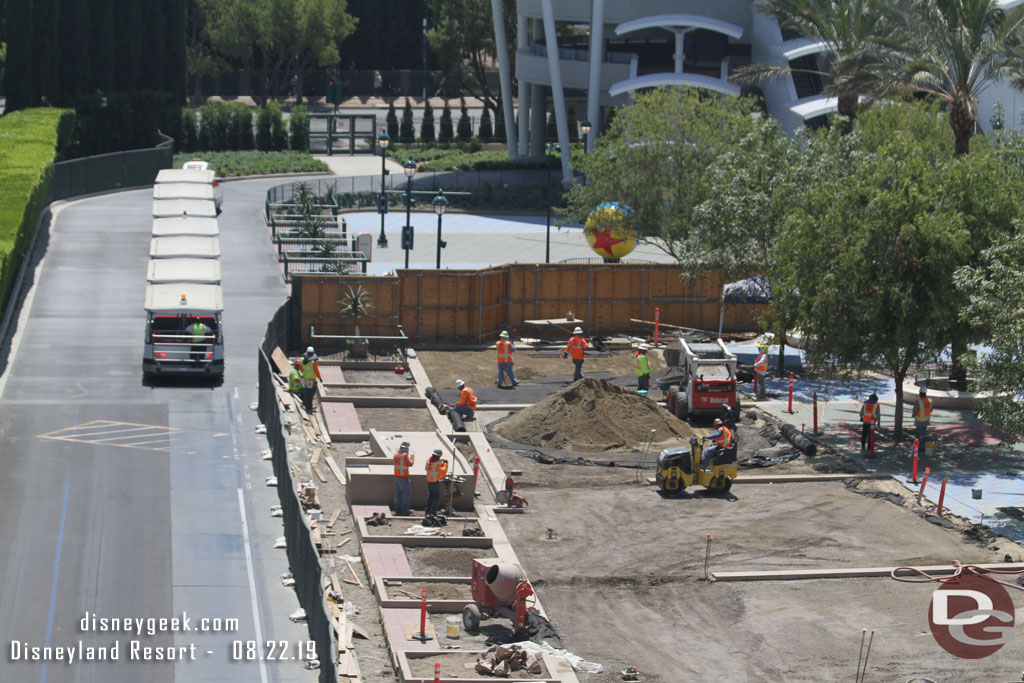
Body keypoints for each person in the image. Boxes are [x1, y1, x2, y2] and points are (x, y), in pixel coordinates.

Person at [424, 449, 449, 520]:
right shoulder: (436, 463)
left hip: (429, 481)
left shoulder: (428, 460)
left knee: (431, 496)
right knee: (436, 497)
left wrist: (441, 461)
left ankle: (428, 512)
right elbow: (443, 470)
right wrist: (446, 463)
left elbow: (429, 468)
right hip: (435, 481)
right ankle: (433, 512)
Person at [393, 441, 414, 516]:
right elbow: (410, 464)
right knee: (405, 494)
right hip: (403, 478)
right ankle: (405, 509)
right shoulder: (404, 455)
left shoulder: (396, 455)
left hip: (396, 477)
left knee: (398, 494)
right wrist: (412, 457)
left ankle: (397, 509)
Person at [300, 346, 322, 413]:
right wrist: (320, 378)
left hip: (304, 379)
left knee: (306, 393)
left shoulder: (301, 359)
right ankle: (309, 408)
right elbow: (316, 371)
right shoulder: (313, 362)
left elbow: (301, 369)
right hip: (311, 380)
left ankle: (305, 404)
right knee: (310, 394)